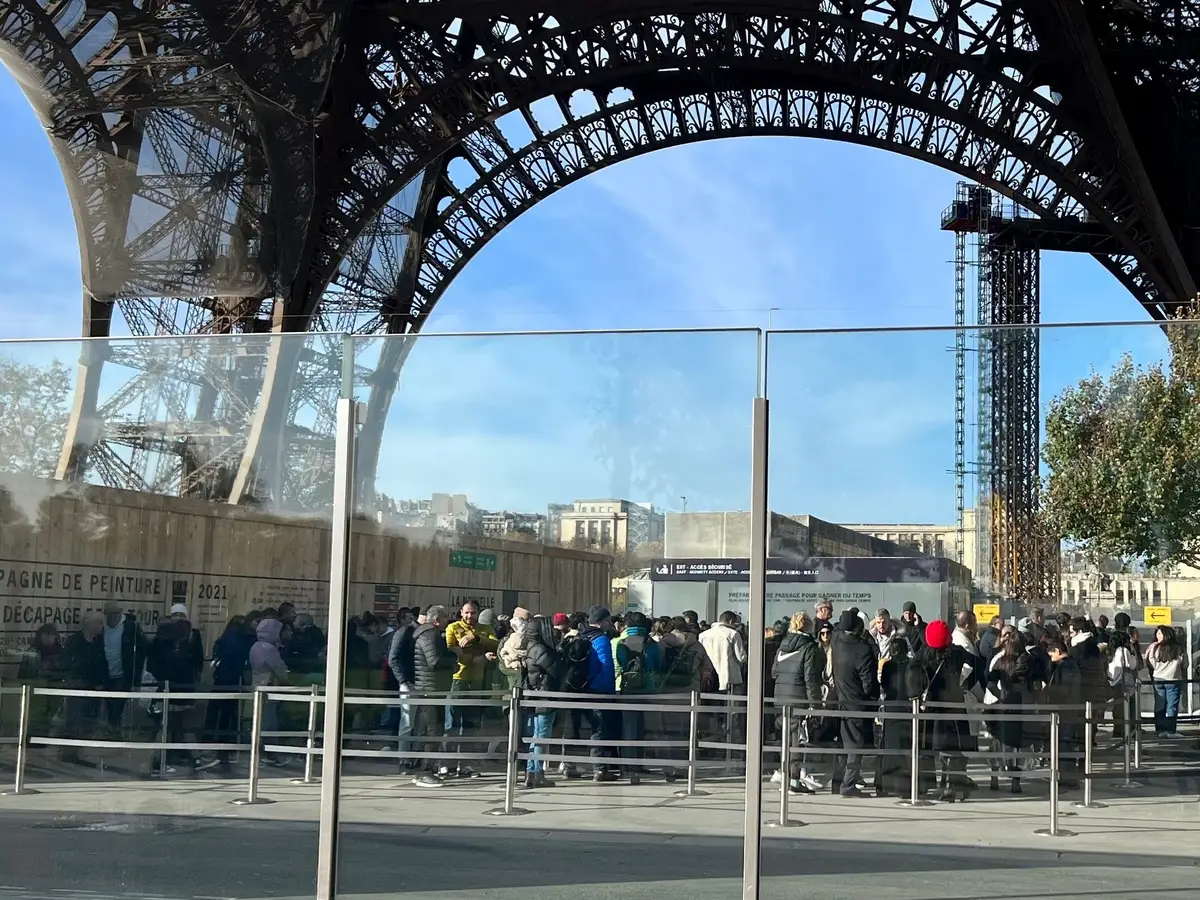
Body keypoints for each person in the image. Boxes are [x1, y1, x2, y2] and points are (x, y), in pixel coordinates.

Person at [907, 620, 978, 802]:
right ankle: (951, 785)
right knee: (953, 749)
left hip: (932, 709)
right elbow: (978, 664)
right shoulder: (955, 653)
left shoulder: (923, 655)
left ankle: (930, 784)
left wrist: (916, 695)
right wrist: (966, 683)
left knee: (932, 748)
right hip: (954, 707)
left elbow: (912, 674)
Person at [443, 601, 499, 778]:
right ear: (461, 612)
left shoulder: (485, 629)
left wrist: (476, 639)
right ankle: (447, 763)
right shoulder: (453, 627)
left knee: (471, 724)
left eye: (473, 613)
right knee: (452, 724)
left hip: (478, 681)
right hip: (457, 680)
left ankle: (465, 764)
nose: (469, 616)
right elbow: (452, 650)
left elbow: (496, 645)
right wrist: (477, 659)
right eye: (466, 613)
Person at [771, 611, 825, 794]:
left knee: (785, 739)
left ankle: (784, 774)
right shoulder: (809, 648)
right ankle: (793, 781)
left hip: (780, 698)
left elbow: (773, 672)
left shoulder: (782, 646)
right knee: (797, 742)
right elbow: (811, 679)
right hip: (798, 699)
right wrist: (815, 705)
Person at [830, 610, 879, 798]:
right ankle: (848, 784)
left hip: (840, 700)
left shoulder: (837, 641)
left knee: (843, 744)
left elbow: (836, 629)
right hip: (857, 703)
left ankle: (838, 781)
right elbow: (869, 684)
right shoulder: (862, 649)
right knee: (855, 746)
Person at [612, 611, 664, 785]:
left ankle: (627, 765)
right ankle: (638, 764)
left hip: (627, 689)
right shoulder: (651, 644)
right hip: (647, 690)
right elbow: (657, 664)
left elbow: (619, 664)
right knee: (642, 727)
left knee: (628, 728)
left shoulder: (620, 643)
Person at [410, 605, 458, 787]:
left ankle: (421, 769)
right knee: (433, 731)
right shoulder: (431, 635)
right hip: (430, 688)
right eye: (445, 617)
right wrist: (453, 658)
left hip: (429, 687)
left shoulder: (426, 634)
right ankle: (425, 771)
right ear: (437, 619)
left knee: (426, 730)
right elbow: (435, 661)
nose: (448, 620)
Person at [985, 628, 1031, 794]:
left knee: (999, 741)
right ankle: (1015, 780)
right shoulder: (1029, 660)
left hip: (1004, 705)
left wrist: (1000, 696)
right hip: (1023, 707)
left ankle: (994, 776)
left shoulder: (1001, 661)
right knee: (1018, 744)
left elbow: (989, 683)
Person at [521, 615, 565, 788]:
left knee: (535, 735)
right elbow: (556, 670)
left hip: (535, 697)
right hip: (544, 697)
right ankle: (537, 773)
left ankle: (531, 772)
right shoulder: (541, 650)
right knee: (542, 736)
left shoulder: (532, 647)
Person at [61, 613, 107, 767]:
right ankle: (70, 752)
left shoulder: (99, 641)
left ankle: (82, 751)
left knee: (90, 720)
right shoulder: (74, 641)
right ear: (91, 625)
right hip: (77, 686)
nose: (102, 627)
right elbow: (69, 663)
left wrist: (102, 681)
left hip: (94, 687)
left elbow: (102, 662)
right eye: (99, 623)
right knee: (75, 720)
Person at [207, 615, 252, 773]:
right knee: (229, 714)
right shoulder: (241, 639)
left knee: (215, 712)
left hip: (221, 679)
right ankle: (225, 746)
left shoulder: (225, 638)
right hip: (233, 680)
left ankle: (211, 743)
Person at [249, 617, 290, 768]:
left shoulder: (256, 646)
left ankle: (260, 752)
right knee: (270, 722)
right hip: (269, 687)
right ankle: (270, 754)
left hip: (257, 686)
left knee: (261, 721)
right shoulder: (270, 649)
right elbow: (279, 669)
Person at [101, 600, 147, 731]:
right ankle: (114, 728)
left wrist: (136, 674)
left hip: (123, 673)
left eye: (115, 613)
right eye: (110, 614)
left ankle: (115, 729)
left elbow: (141, 650)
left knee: (118, 705)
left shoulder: (130, 627)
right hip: (107, 673)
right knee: (109, 704)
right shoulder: (102, 627)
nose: (112, 617)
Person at [1045, 638, 1083, 789]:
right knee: (1065, 743)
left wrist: (1048, 692)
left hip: (1064, 709)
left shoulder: (1064, 667)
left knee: (1063, 744)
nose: (1051, 659)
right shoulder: (1071, 665)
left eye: (1051, 655)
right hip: (1070, 708)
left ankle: (1066, 777)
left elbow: (1062, 690)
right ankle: (1067, 776)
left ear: (1057, 652)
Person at [1146, 625, 1186, 738]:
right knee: (1172, 706)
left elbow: (1151, 661)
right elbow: (1185, 664)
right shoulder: (1179, 649)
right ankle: (1171, 730)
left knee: (1159, 705)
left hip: (1158, 679)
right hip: (1173, 679)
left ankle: (1160, 730)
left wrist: (1158, 670)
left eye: (1159, 634)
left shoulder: (1155, 648)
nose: (1157, 636)